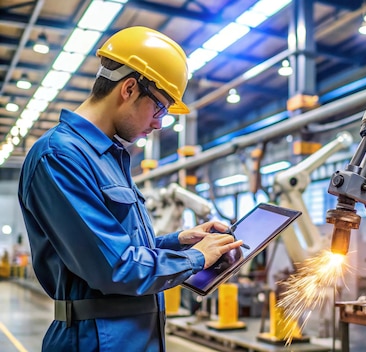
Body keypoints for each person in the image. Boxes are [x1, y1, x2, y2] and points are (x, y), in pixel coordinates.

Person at [18, 26, 243, 351]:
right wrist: (195, 259)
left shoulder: (109, 157)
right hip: (96, 340)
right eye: (160, 108)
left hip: (131, 336)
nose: (158, 123)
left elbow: (118, 246)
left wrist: (180, 242)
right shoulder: (59, 156)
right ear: (128, 88)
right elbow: (113, 267)